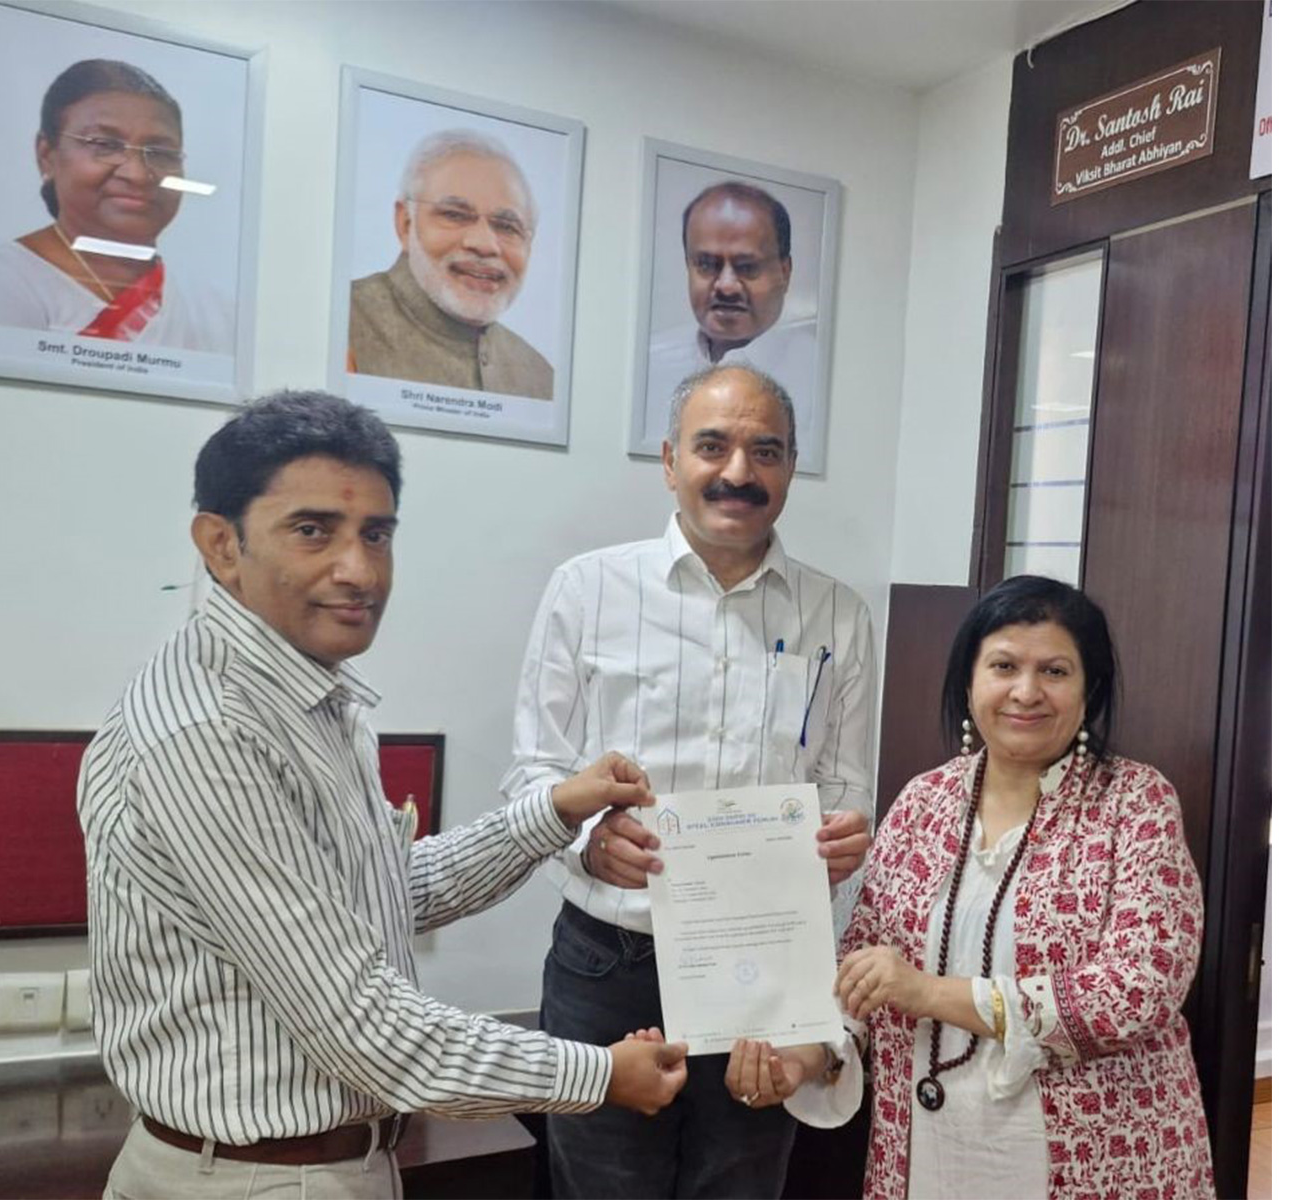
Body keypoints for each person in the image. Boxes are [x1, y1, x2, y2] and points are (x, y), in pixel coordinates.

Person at [77, 390, 688, 1199]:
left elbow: (385, 895)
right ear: (220, 545)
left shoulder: (307, 699)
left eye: (377, 534)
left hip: (320, 1164)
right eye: (312, 530)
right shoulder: (209, 734)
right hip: (255, 1180)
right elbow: (367, 1030)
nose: (358, 570)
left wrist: (555, 811)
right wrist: (599, 1073)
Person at [500, 363, 877, 1198]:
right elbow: (530, 772)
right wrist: (588, 846)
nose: (738, 472)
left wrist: (848, 836)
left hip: (764, 969)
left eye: (765, 451)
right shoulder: (588, 590)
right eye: (713, 446)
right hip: (610, 964)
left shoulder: (839, 615)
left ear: (789, 468)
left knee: (740, 1185)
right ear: (670, 461)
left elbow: (846, 787)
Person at [724, 575, 1216, 1200]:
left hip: (1096, 1154)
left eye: (1056, 671)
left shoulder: (1136, 802)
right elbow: (861, 970)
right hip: (930, 1150)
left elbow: (1139, 991)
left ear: (1090, 689)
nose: (1026, 691)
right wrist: (807, 1060)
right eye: (1004, 666)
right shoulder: (921, 802)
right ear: (970, 680)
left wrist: (928, 991)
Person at [0, 59, 232, 351]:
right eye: (105, 145)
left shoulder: (215, 312)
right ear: (47, 154)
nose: (137, 174)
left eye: (160, 152)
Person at [347, 129, 553, 399]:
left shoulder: (539, 376)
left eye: (506, 226)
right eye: (455, 215)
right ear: (405, 224)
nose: (485, 244)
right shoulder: (340, 320)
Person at [644, 183, 816, 450]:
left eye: (747, 267)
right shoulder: (651, 360)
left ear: (785, 271)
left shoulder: (815, 373)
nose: (726, 285)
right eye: (707, 265)